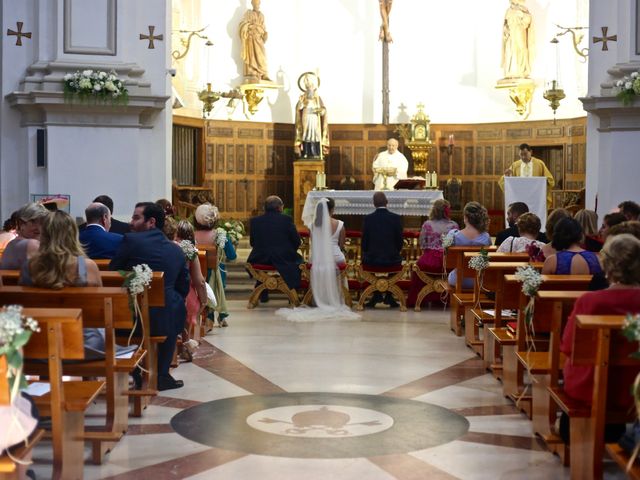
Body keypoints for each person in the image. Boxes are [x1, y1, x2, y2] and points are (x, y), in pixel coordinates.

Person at [559, 234, 640, 444]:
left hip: (591, 388)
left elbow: (568, 347)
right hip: (634, 387)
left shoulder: (591, 301)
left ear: (607, 264)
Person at [110, 202, 190, 391]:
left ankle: (135, 369)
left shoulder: (130, 241)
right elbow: (183, 287)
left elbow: (113, 272)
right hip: (164, 321)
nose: (131, 222)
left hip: (130, 321)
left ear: (151, 222)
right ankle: (162, 374)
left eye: (136, 218)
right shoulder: (176, 251)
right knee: (174, 303)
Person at [18, 211, 113, 359]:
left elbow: (22, 305)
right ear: (73, 234)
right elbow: (100, 310)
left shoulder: (29, 266)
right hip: (85, 345)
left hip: (38, 344)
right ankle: (91, 378)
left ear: (44, 234)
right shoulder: (88, 267)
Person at [276, 198, 360, 322]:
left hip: (317, 259)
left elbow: (314, 243)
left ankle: (317, 299)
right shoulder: (340, 224)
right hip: (336, 258)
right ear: (332, 209)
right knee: (340, 260)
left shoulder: (312, 226)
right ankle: (339, 298)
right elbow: (341, 245)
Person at [407, 199, 458, 308]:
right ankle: (445, 298)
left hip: (429, 259)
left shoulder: (427, 224)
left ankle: (418, 300)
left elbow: (422, 243)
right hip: (447, 259)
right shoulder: (453, 225)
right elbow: (455, 244)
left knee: (417, 269)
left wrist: (430, 250)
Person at [247, 195, 302, 293]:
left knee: (263, 272)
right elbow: (296, 241)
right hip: (284, 258)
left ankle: (262, 291)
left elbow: (253, 243)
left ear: (265, 208)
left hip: (260, 258)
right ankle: (293, 291)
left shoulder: (255, 221)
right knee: (300, 262)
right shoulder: (287, 219)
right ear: (279, 207)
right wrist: (287, 251)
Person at [193, 203, 233, 327]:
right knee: (218, 285)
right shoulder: (220, 234)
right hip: (217, 272)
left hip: (197, 273)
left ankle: (208, 316)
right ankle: (221, 317)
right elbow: (232, 256)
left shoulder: (192, 235)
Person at [361, 192, 404, 307]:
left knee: (365, 258)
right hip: (392, 259)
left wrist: (366, 253)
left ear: (374, 204)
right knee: (396, 261)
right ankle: (389, 296)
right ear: (387, 202)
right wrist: (395, 251)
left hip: (372, 259)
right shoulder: (395, 218)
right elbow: (400, 241)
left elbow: (364, 242)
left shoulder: (368, 219)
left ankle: (376, 294)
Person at [175, 220, 208, 360]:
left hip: (166, 290)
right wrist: (204, 299)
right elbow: (199, 281)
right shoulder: (189, 250)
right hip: (185, 292)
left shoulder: (166, 247)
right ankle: (185, 346)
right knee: (188, 313)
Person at [446, 201, 492, 289]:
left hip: (458, 279)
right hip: (479, 279)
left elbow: (446, 257)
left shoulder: (453, 235)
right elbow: (487, 259)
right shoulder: (486, 237)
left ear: (466, 218)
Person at [0, 202, 49, 270]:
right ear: (21, 223)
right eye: (33, 222)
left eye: (42, 222)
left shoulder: (10, 244)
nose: (38, 227)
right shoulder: (32, 245)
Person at [294, 72, 329, 159]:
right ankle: (305, 152)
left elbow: (324, 109)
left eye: (311, 86)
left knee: (315, 134)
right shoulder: (303, 97)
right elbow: (298, 108)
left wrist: (321, 110)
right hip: (306, 117)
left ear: (314, 87)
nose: (310, 88)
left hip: (314, 117)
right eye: (308, 86)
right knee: (306, 134)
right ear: (306, 87)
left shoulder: (317, 98)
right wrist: (301, 103)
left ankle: (316, 152)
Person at [239, 0, 270, 82]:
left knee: (262, 56)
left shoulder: (262, 15)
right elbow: (243, 24)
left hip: (259, 39)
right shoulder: (248, 13)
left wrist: (265, 35)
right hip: (251, 39)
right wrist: (251, 26)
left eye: (258, 3)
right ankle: (252, 73)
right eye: (255, 3)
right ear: (252, 4)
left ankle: (263, 73)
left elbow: (263, 27)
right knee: (252, 56)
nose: (257, 5)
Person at [501, 0, 532, 79]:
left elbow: (528, 19)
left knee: (522, 47)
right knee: (511, 50)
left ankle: (524, 68)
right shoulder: (508, 11)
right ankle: (511, 71)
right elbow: (505, 24)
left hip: (519, 29)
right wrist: (506, 30)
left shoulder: (522, 9)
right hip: (511, 32)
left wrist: (521, 14)